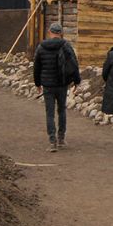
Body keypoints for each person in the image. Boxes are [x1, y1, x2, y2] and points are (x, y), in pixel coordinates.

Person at [33, 22, 80, 152]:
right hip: (62, 84)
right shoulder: (66, 46)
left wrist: (37, 84)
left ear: (50, 32)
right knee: (62, 111)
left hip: (48, 85)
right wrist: (76, 81)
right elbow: (74, 64)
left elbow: (36, 67)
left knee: (49, 113)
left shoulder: (41, 47)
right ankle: (61, 139)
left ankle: (52, 141)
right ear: (61, 33)